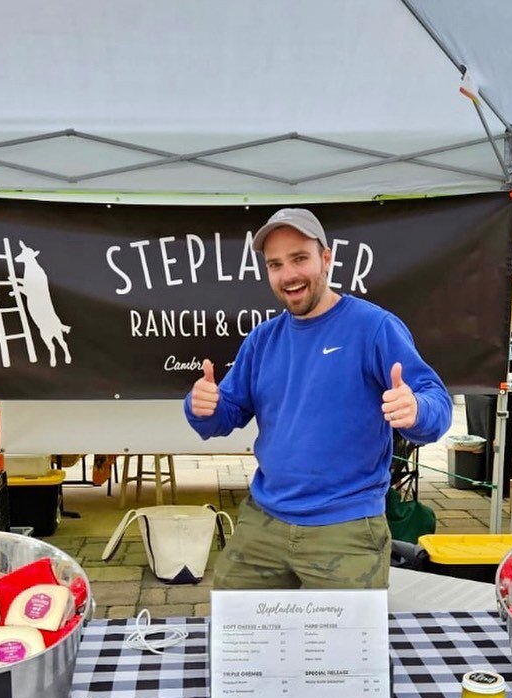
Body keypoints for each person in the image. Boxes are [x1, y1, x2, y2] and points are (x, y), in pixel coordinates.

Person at [183, 207, 452, 590]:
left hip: (347, 526)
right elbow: (225, 415)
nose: (288, 275)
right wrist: (201, 407)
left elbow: (436, 402)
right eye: (275, 264)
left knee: (344, 647)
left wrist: (416, 409)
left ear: (326, 259)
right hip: (265, 521)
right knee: (238, 638)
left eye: (299, 259)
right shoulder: (263, 339)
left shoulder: (372, 326)